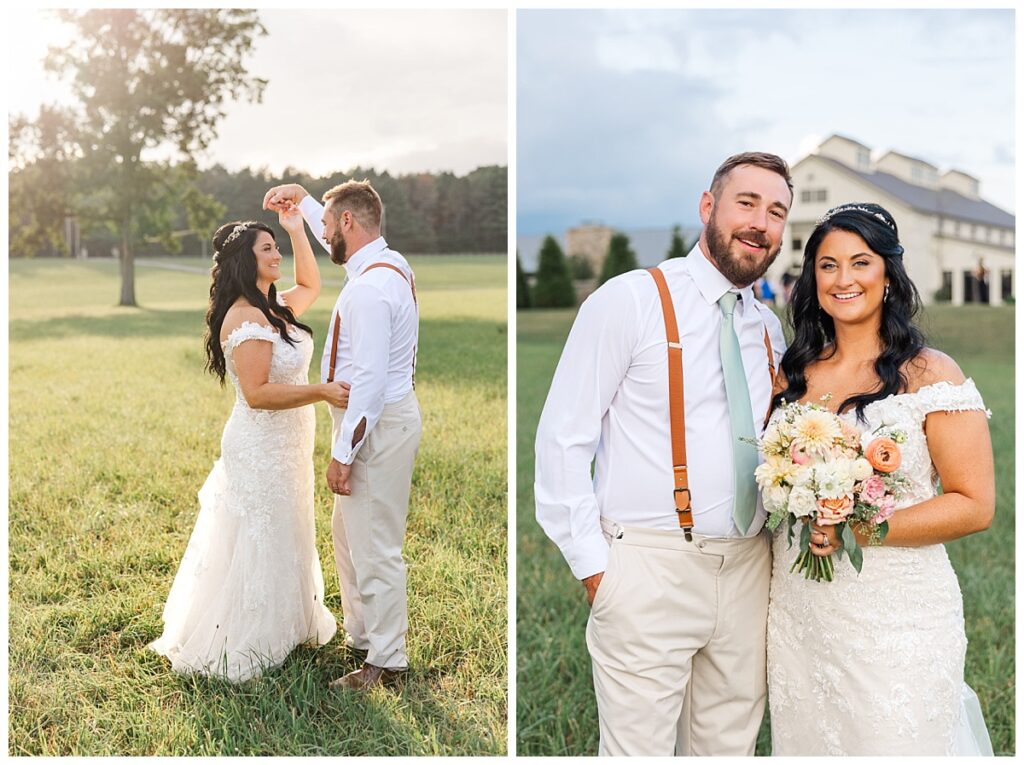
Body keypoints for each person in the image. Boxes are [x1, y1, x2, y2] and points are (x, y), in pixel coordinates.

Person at [534, 152, 792, 755]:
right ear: (708, 207)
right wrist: (596, 569)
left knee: (727, 748)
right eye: (746, 203)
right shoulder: (628, 300)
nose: (760, 222)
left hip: (750, 567)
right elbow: (563, 437)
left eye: (776, 211)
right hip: (647, 564)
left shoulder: (769, 329)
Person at [765, 202, 995, 755]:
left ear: (888, 274)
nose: (843, 279)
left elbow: (974, 504)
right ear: (811, 278)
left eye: (860, 262)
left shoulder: (930, 372)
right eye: (827, 265)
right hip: (803, 610)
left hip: (899, 614)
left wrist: (862, 528)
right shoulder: (793, 372)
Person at [149, 207, 348, 682]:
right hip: (260, 444)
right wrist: (321, 391)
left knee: (288, 526)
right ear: (246, 259)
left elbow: (313, 285)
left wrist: (297, 228)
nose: (275, 253)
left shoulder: (272, 308)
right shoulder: (245, 318)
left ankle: (288, 622)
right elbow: (257, 395)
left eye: (275, 246)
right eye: (268, 248)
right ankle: (250, 635)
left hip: (288, 444)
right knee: (261, 531)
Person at [263, 180, 421, 691]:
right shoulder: (383, 263)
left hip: (373, 425)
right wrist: (306, 201)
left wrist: (342, 454)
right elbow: (332, 224)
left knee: (374, 546)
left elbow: (369, 385)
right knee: (351, 538)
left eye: (328, 225)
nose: (324, 232)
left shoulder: (372, 289)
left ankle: (386, 662)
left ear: (348, 225)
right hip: (377, 420)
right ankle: (363, 638)